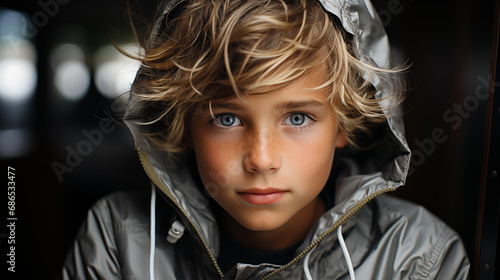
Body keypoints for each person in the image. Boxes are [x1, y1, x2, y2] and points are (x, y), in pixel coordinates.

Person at [62, 0, 470, 279]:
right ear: (186, 126)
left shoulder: (417, 256)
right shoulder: (117, 237)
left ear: (343, 124)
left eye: (297, 117)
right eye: (226, 118)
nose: (261, 159)